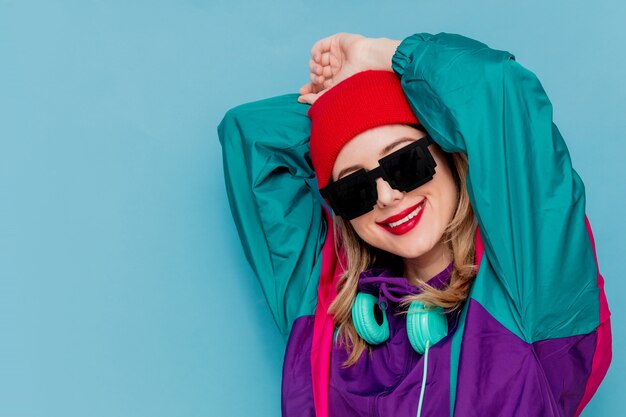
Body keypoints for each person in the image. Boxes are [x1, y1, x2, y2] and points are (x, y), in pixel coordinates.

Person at [218, 32, 612, 417]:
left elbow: (498, 89)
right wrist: (339, 110)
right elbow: (251, 136)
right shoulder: (324, 305)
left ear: (449, 153)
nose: (387, 196)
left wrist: (380, 60)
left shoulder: (529, 289)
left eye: (405, 164)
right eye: (355, 189)